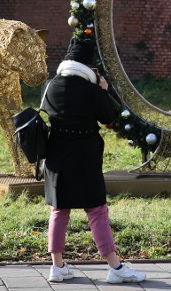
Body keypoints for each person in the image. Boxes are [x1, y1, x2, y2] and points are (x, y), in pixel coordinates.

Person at [42, 37, 146, 284]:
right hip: (85, 156)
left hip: (56, 155)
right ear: (89, 67)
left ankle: (57, 267)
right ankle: (116, 268)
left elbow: (48, 110)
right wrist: (104, 90)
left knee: (59, 210)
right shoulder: (91, 91)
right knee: (97, 210)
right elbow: (111, 116)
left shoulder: (51, 85)